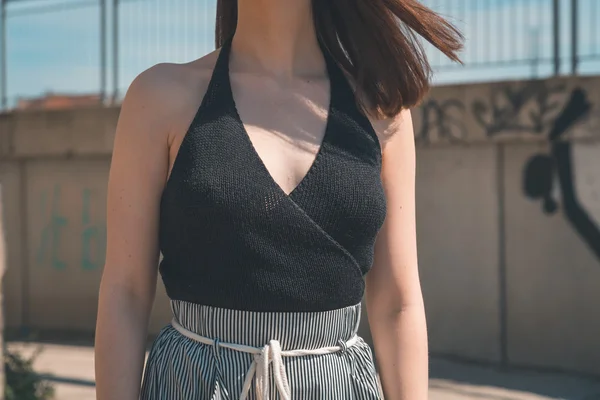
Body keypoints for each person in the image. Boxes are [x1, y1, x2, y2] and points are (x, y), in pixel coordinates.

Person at [94, 0, 462, 398]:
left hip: (336, 386)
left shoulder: (380, 107)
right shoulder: (160, 97)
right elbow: (125, 291)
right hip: (195, 383)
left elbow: (397, 302)